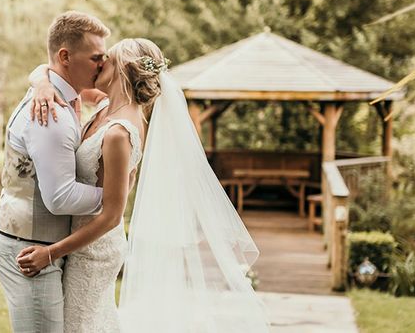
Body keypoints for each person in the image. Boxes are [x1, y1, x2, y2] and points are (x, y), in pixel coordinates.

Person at [18, 37, 270, 332]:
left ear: (122, 69)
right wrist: (41, 84)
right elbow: (53, 72)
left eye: (106, 58)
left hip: (94, 250)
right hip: (82, 239)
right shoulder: (105, 106)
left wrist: (51, 253)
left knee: (80, 325)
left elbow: (113, 215)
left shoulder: (119, 133)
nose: (99, 63)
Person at [0, 11, 111, 333]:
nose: (103, 65)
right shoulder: (51, 114)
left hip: (40, 245)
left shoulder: (62, 96)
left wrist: (41, 76)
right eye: (96, 58)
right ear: (65, 56)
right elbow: (60, 198)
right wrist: (114, 197)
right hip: (30, 252)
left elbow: (44, 70)